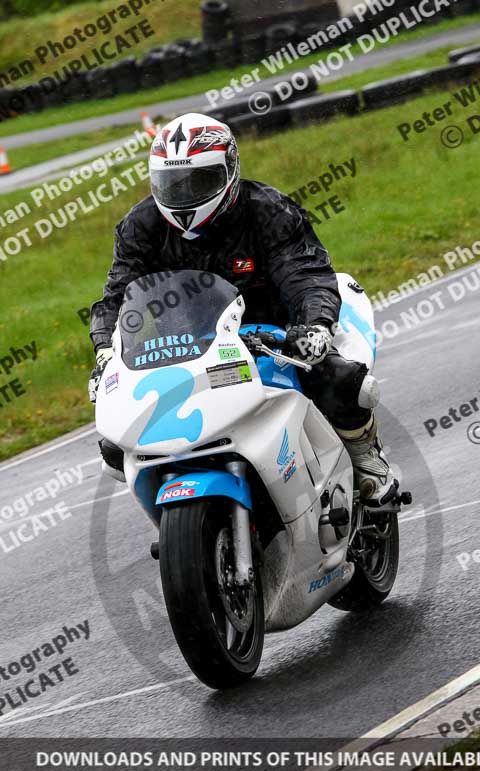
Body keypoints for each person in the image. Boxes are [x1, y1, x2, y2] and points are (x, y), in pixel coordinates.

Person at [89, 112, 397, 506]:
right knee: (115, 443)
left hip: (273, 332)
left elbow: (305, 275)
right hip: (187, 342)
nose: (183, 195)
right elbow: (118, 295)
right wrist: (105, 349)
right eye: (171, 183)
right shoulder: (142, 225)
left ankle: (365, 457)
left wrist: (315, 326)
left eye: (197, 182)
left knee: (338, 377)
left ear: (229, 170)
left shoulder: (267, 211)